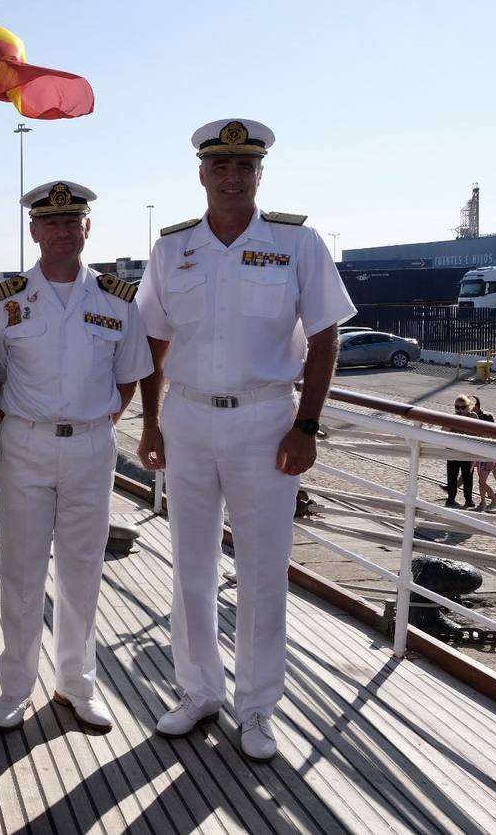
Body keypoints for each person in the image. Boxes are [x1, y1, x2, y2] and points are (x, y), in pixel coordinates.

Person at [135, 119, 355, 762]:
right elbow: (154, 340)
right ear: (202, 174)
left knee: (262, 570)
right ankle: (199, 690)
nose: (231, 177)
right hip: (189, 418)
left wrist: (307, 424)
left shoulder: (297, 242)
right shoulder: (172, 248)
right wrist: (150, 422)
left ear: (259, 174)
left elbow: (325, 336)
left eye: (244, 167)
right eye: (220, 166)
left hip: (266, 421)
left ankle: (257, 708)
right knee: (191, 567)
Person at [0, 181, 153, 733]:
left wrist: (96, 420)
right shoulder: (6, 301)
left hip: (90, 445)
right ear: (34, 231)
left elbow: (128, 378)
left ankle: (76, 685)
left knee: (83, 570)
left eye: (71, 222)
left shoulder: (116, 299)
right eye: (50, 223)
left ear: (87, 228)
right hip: (25, 444)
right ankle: (15, 686)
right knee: (21, 568)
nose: (61, 231)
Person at [467, 395, 496, 510]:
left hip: (487, 455)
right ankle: (483, 503)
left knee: (481, 481)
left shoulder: (485, 417)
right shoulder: (476, 417)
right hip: (481, 454)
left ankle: (494, 500)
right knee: (481, 481)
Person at [445, 395, 476, 509]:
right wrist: (451, 422)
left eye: (463, 407)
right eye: (457, 407)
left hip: (467, 452)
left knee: (468, 477)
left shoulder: (473, 417)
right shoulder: (452, 417)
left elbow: (476, 433)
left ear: (469, 407)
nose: (460, 410)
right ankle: (451, 498)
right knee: (452, 476)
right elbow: (443, 431)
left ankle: (468, 500)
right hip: (453, 452)